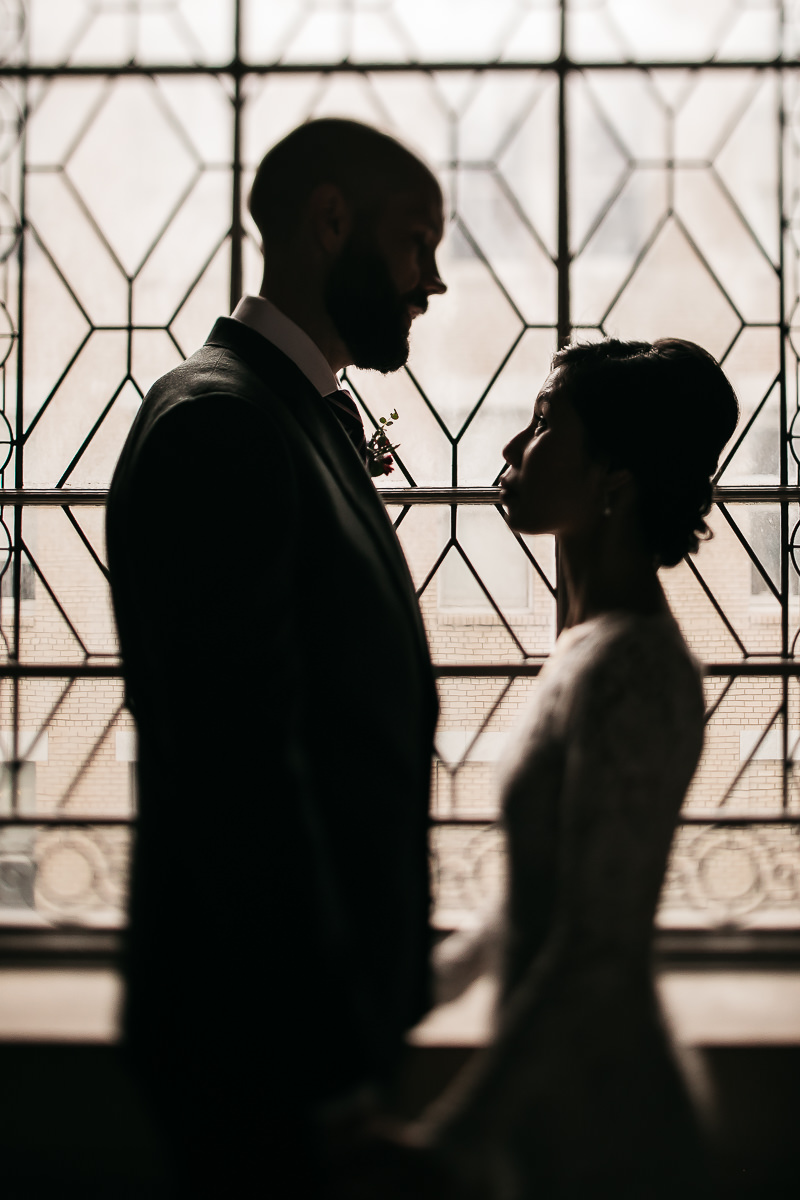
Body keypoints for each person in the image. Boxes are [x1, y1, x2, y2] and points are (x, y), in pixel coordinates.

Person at [105, 117, 446, 1198]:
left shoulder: (284, 412)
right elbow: (238, 771)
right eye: (413, 242)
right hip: (261, 1048)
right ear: (327, 222)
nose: (428, 281)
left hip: (306, 1040)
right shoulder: (223, 425)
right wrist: (328, 1071)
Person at [410, 338, 739, 1199]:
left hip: (612, 1133)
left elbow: (595, 948)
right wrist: (407, 996)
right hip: (545, 1120)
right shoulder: (582, 649)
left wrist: (449, 1135)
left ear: (614, 482)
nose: (514, 447)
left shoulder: (637, 669)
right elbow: (534, 904)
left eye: (547, 422)